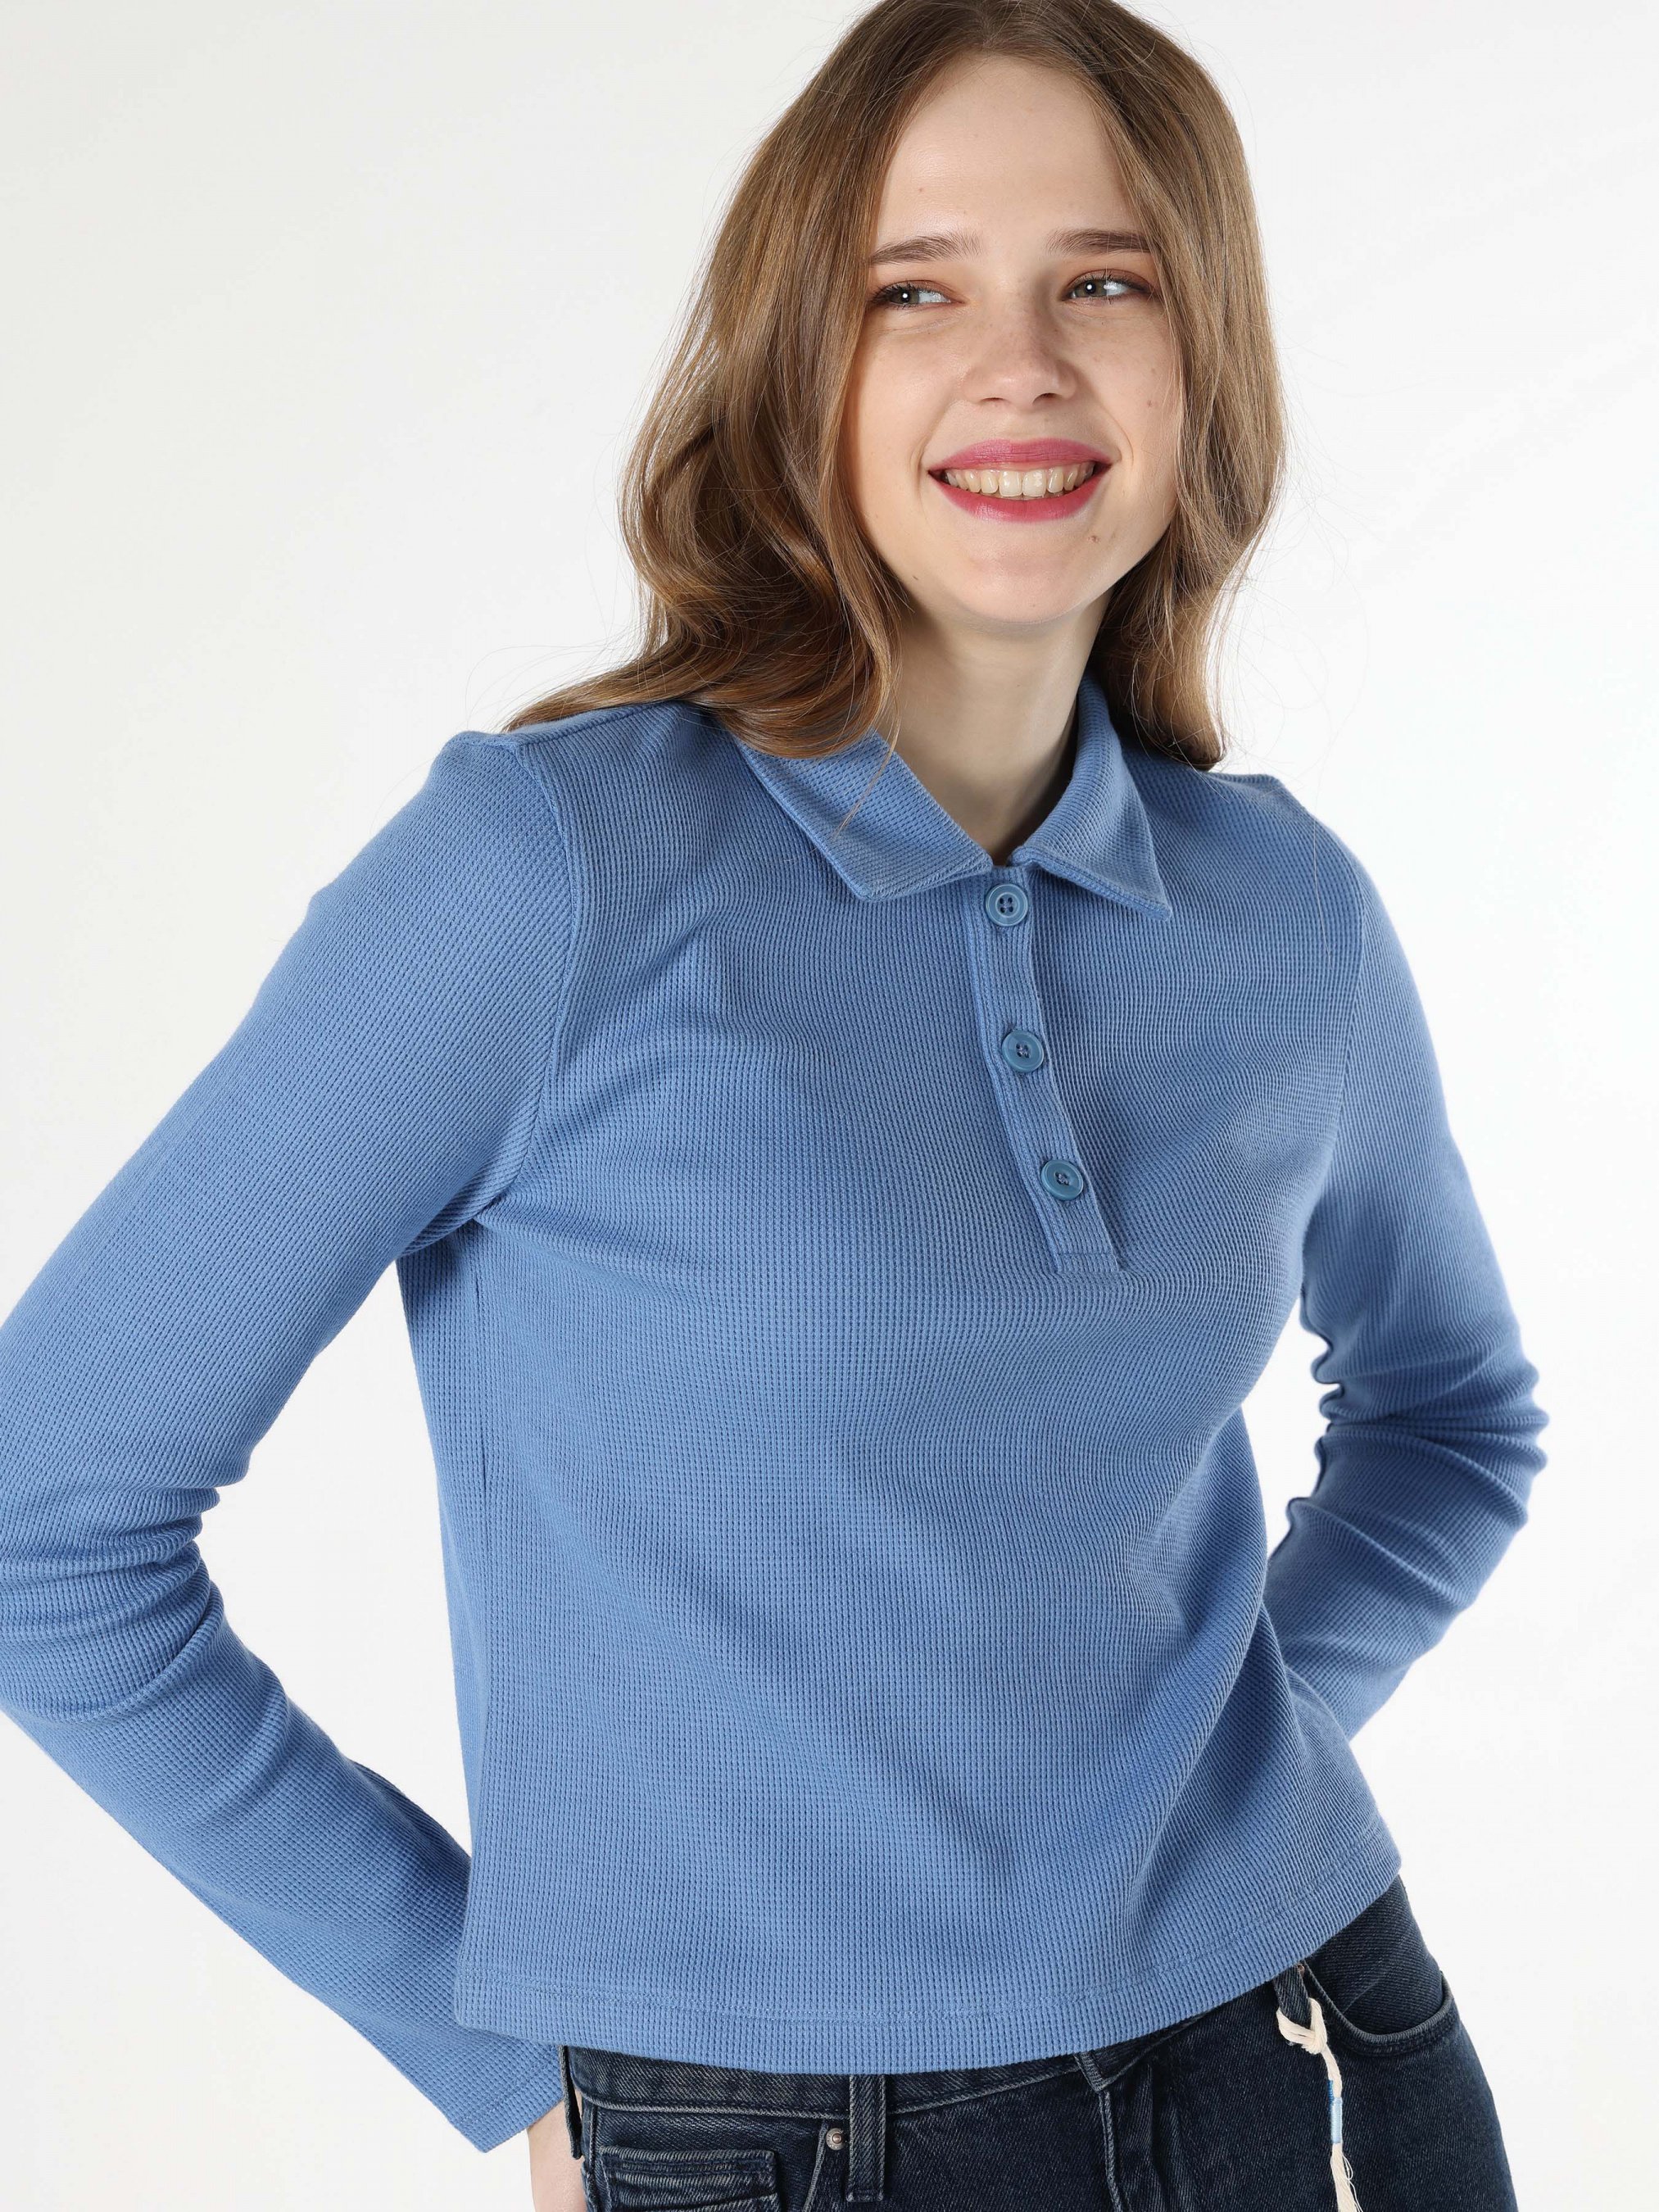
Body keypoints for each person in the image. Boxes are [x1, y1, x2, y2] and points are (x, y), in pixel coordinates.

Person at [0, 3, 1548, 2209]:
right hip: (770, 2137)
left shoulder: (1278, 909)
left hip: (1313, 2057)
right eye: (914, 291)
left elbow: (1452, 1418)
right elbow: (43, 1513)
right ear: (791, 365)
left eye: (1103, 280)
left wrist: (1213, 1764)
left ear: (1205, 358)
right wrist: (486, 2046)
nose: (1020, 365)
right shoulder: (544, 874)